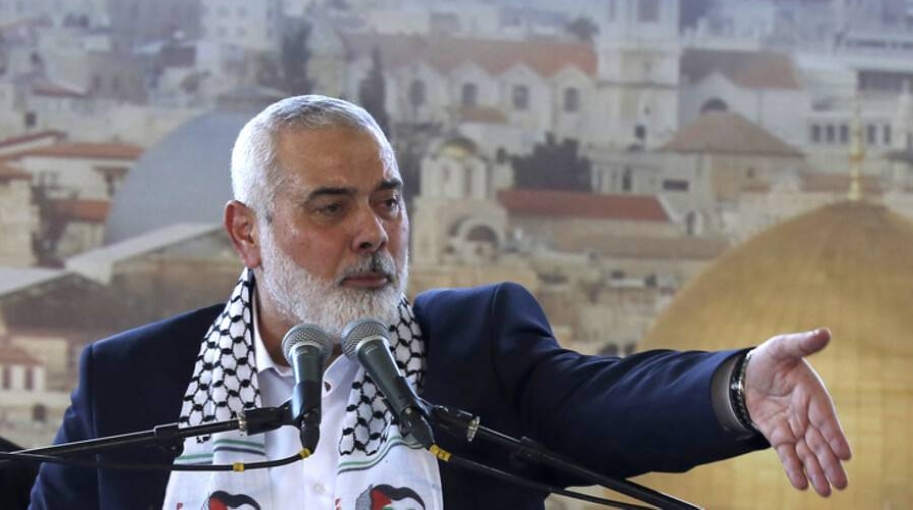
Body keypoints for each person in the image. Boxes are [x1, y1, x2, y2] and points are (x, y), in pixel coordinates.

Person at [29, 95, 851, 509]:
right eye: (331, 207)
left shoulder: (476, 343)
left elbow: (601, 403)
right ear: (248, 232)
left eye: (387, 202)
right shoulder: (131, 384)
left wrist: (736, 386)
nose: (372, 233)